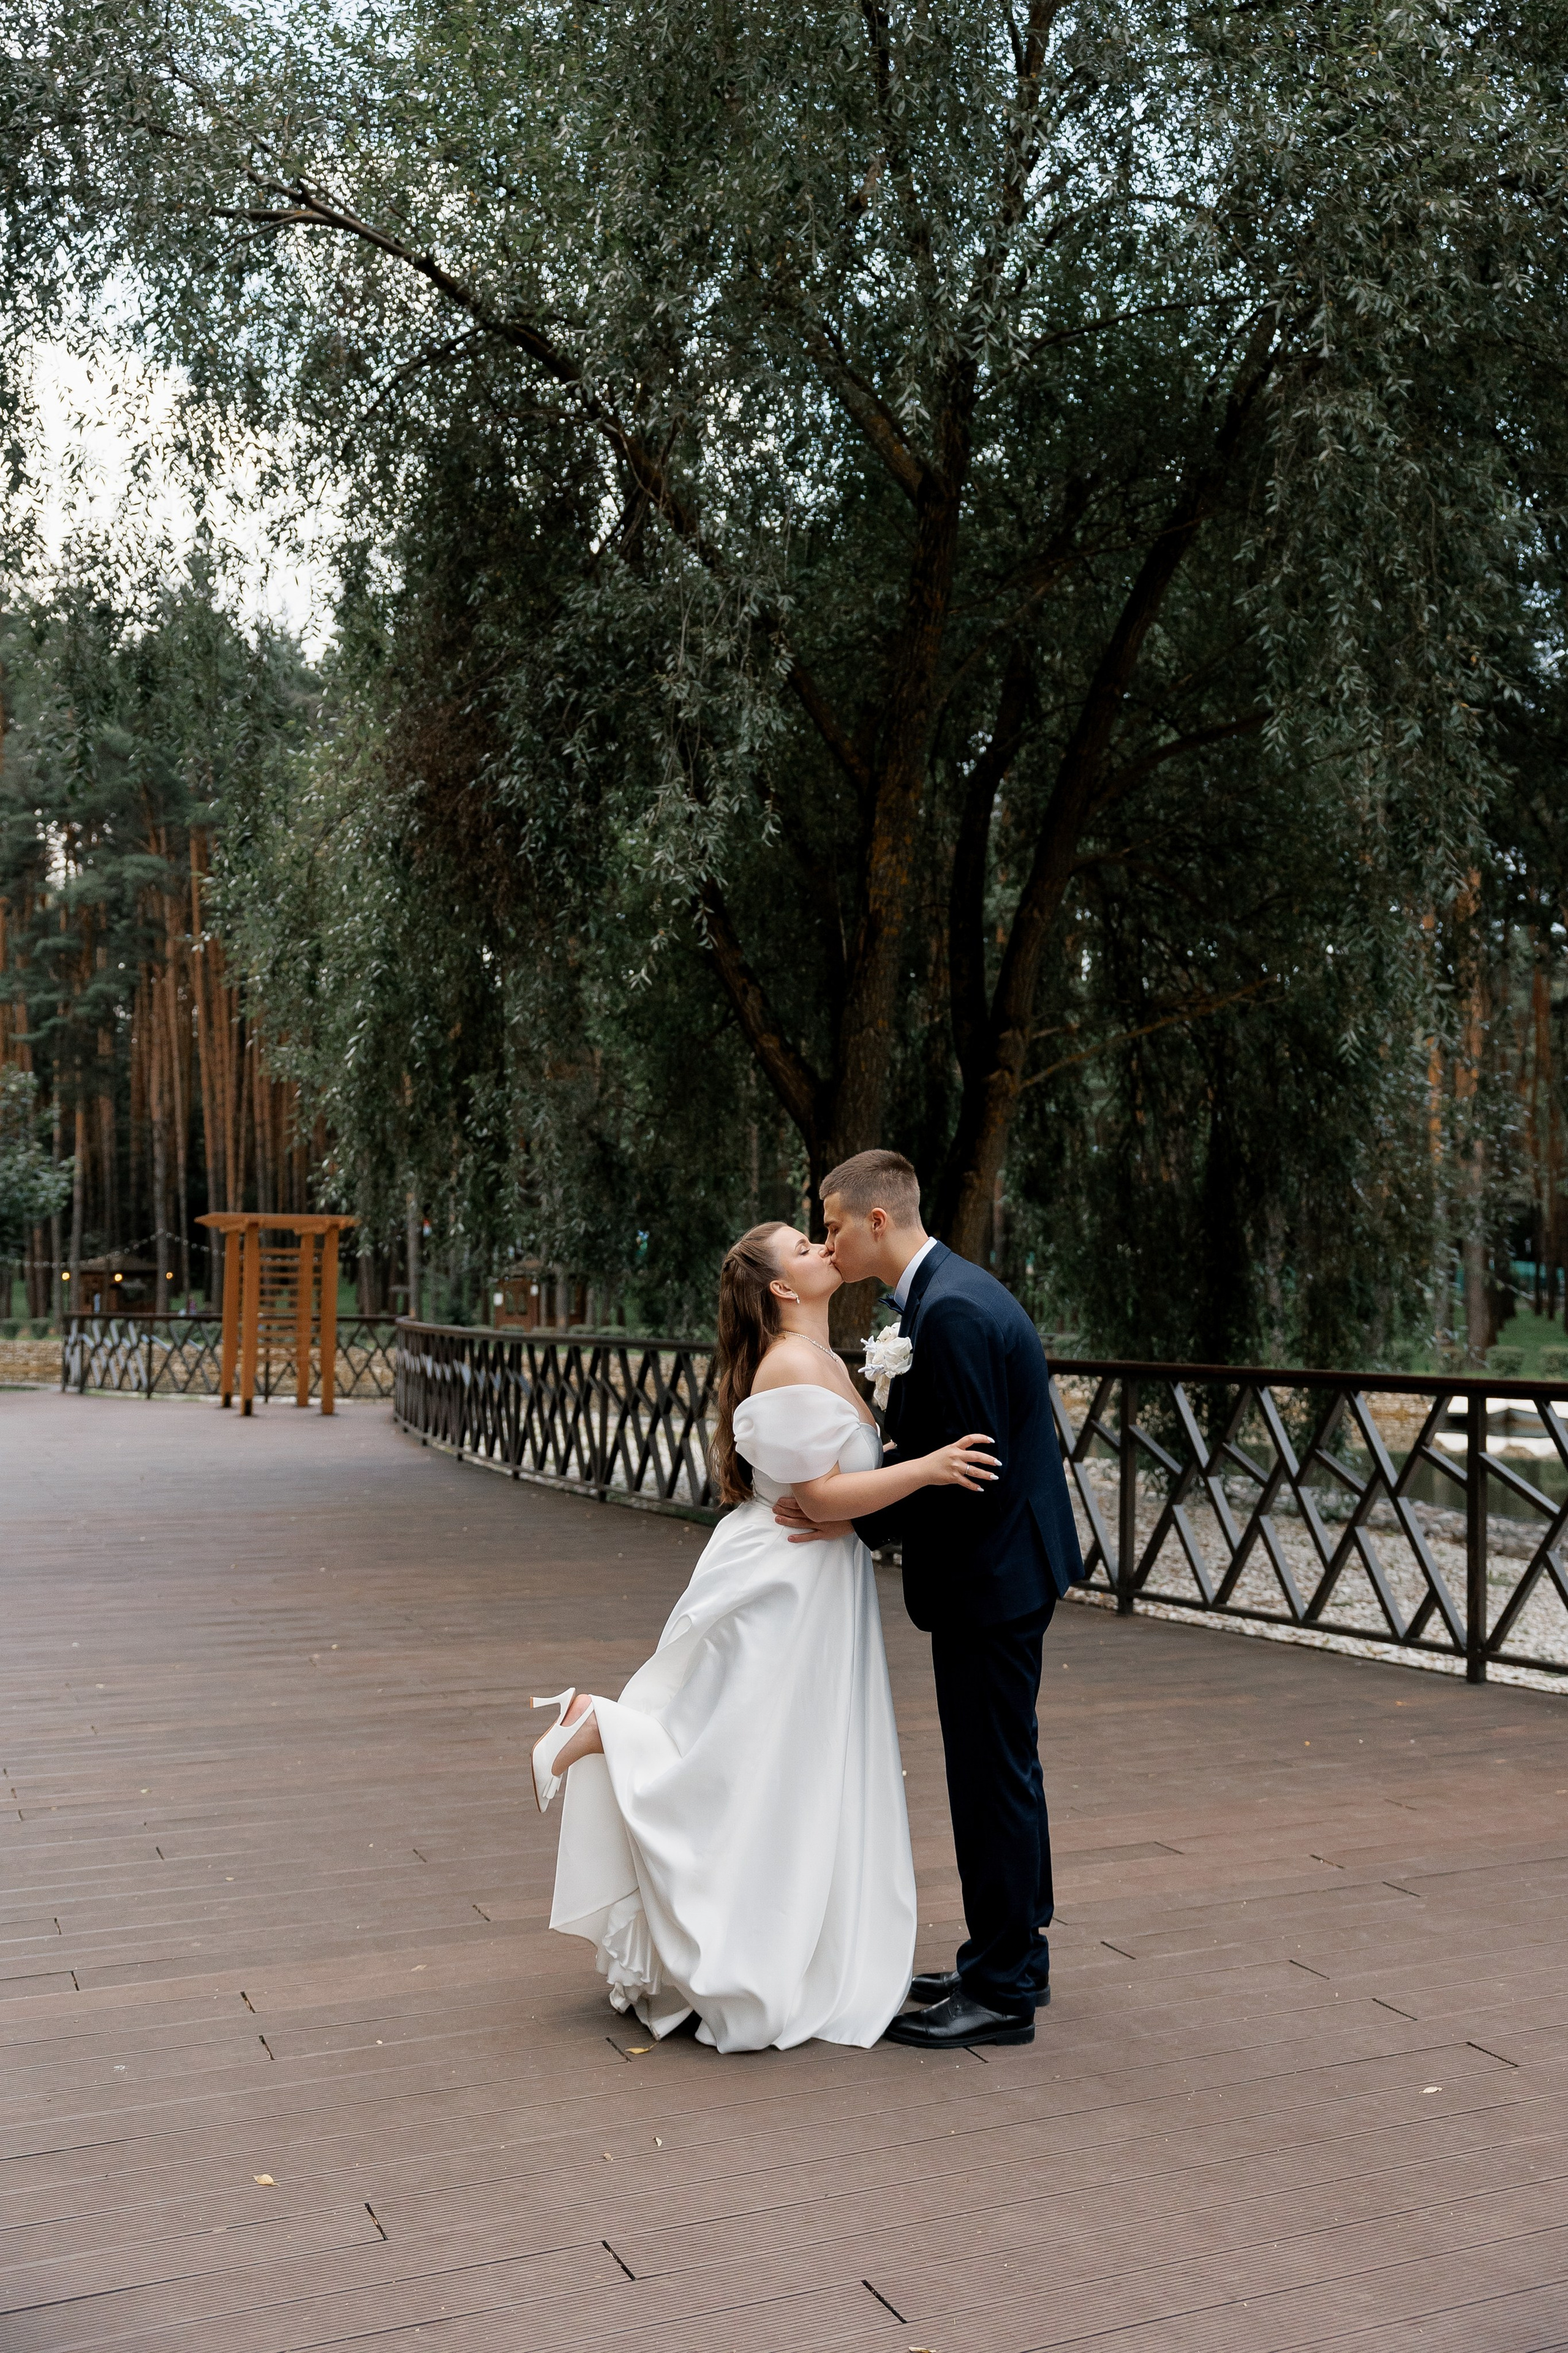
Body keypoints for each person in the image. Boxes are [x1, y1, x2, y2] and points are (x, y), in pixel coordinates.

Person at [531, 1219, 1002, 2053]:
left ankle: (779, 1928)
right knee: (739, 1755)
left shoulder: (822, 1356)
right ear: (782, 1286)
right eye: (803, 1246)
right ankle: (607, 1727)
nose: (822, 1247)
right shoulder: (789, 1362)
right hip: (781, 1582)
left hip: (817, 1578)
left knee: (779, 1761)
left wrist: (874, 1486)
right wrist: (928, 1470)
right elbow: (818, 1496)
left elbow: (837, 1485)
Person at [774, 1149, 1085, 2050]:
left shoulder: (949, 1312)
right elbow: (939, 1449)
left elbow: (967, 1474)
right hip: (1004, 1572)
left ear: (877, 1221)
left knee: (991, 1780)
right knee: (1003, 1771)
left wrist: (852, 1519)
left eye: (834, 1224)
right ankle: (1010, 1959)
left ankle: (1003, 1990)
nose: (828, 1240)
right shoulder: (942, 1296)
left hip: (993, 1580)